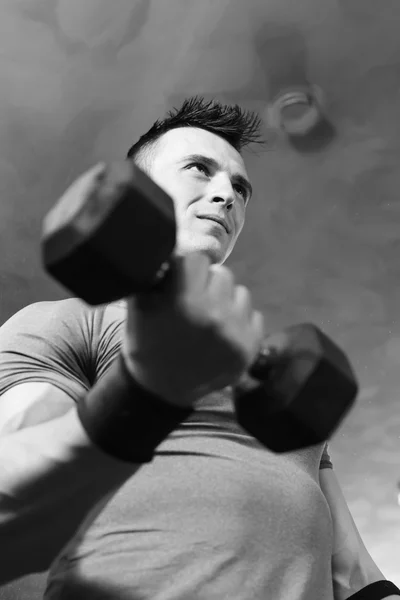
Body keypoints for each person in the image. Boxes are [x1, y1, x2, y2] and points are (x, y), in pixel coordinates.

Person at [0, 96, 336, 599]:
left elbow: (349, 566)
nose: (227, 195)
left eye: (240, 188)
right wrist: (144, 392)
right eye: (199, 169)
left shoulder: (280, 372)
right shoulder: (67, 322)